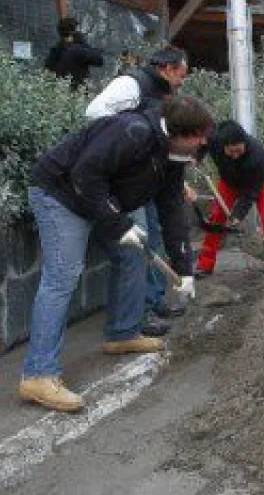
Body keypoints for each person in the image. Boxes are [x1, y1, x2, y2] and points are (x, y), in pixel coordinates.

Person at [18, 95, 213, 413]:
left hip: (99, 200)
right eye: (198, 137)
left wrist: (185, 269)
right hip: (61, 193)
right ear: (178, 133)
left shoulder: (173, 156)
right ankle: (38, 375)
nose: (203, 143)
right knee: (62, 275)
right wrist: (117, 222)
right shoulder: (132, 132)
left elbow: (171, 213)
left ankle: (122, 333)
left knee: (133, 255)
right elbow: (85, 174)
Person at [86, 46, 193, 328]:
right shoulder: (131, 84)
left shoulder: (165, 95)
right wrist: (130, 140)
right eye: (181, 75)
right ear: (168, 68)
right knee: (140, 246)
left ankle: (154, 302)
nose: (183, 81)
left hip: (149, 178)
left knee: (154, 238)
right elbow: (94, 111)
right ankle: (141, 314)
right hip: (125, 178)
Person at [196, 120, 264, 275]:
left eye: (239, 151)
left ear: (244, 143)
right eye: (231, 152)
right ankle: (205, 264)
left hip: (259, 184)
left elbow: (251, 192)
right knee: (216, 217)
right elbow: (203, 143)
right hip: (229, 182)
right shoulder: (215, 140)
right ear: (222, 145)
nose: (235, 155)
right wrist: (196, 157)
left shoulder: (257, 157)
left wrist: (237, 215)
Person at [43, 17, 104, 90]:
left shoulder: (55, 50)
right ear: (73, 32)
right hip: (77, 95)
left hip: (59, 93)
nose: (80, 32)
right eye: (78, 30)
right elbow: (99, 60)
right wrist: (82, 43)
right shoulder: (77, 50)